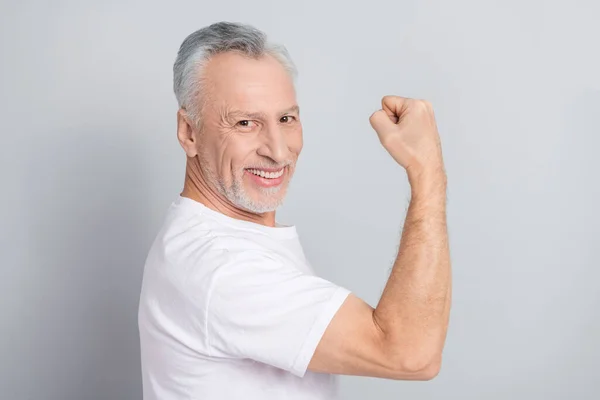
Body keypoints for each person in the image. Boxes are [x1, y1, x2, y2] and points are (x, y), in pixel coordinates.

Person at [138, 21, 451, 400]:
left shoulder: (226, 239)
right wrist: (427, 170)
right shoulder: (222, 267)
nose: (279, 151)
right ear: (189, 133)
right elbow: (411, 354)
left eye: (286, 119)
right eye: (245, 123)